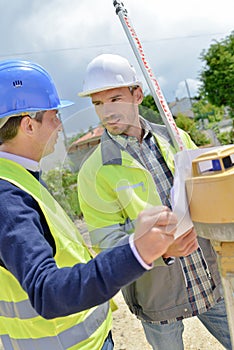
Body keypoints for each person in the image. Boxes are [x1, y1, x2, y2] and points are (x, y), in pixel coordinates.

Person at [0, 59, 181, 350]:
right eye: (54, 115)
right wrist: (137, 250)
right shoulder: (7, 197)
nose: (60, 125)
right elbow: (47, 291)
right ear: (28, 125)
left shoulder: (22, 179)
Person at [77, 53, 232, 350]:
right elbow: (107, 244)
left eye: (115, 98)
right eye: (98, 103)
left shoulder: (177, 139)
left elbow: (208, 196)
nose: (107, 111)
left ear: (138, 94)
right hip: (157, 296)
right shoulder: (94, 171)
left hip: (208, 277)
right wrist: (160, 249)